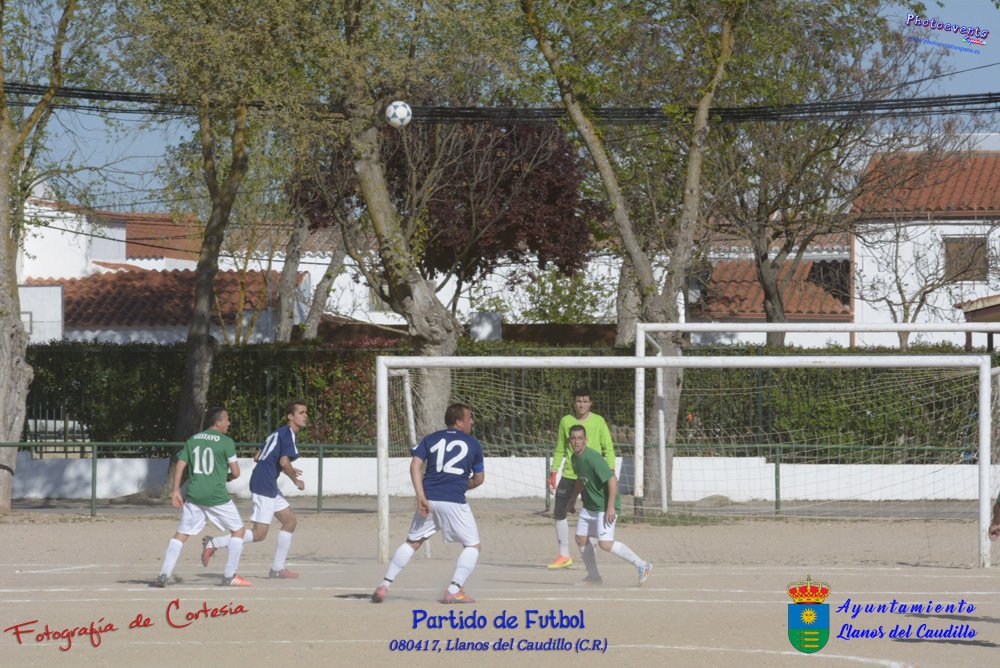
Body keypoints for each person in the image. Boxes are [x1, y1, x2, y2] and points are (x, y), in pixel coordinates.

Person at [371, 402, 485, 604]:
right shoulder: (474, 444)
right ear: (459, 422)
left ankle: (384, 585)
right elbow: (479, 479)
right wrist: (459, 485)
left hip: (429, 498)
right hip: (454, 500)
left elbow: (415, 464)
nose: (472, 421)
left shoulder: (431, 438)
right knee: (473, 546)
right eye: (469, 418)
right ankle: (454, 590)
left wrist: (420, 496)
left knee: (413, 542)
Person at [202, 400, 307, 579]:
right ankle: (215, 543)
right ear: (290, 416)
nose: (305, 416)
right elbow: (283, 461)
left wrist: (285, 467)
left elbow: (258, 457)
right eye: (301, 412)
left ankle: (277, 568)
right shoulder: (288, 434)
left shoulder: (279, 432)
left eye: (306, 412)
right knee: (259, 534)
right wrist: (295, 479)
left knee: (290, 521)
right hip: (264, 484)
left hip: (267, 483)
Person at [155, 407, 251, 587]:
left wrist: (176, 490)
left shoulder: (193, 439)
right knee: (239, 531)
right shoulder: (226, 442)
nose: (229, 423)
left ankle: (164, 574)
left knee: (181, 534)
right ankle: (229, 575)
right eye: (227, 419)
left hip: (195, 496)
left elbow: (180, 465)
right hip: (217, 496)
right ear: (218, 422)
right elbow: (236, 472)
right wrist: (227, 477)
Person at [568, 424, 651, 586]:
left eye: (580, 438)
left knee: (605, 544)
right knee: (580, 538)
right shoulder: (574, 458)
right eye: (573, 438)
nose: (576, 441)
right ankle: (593, 577)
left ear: (586, 440)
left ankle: (642, 565)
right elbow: (581, 480)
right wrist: (572, 500)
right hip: (590, 506)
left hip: (605, 506)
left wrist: (611, 507)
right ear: (569, 440)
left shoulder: (593, 458)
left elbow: (612, 479)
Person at [547, 386, 616, 569]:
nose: (581, 405)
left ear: (590, 403)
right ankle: (564, 555)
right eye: (578, 401)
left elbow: (608, 447)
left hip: (591, 477)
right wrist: (553, 472)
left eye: (585, 401)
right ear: (574, 402)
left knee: (592, 513)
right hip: (570, 473)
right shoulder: (566, 421)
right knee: (559, 511)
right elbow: (560, 448)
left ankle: (591, 556)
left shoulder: (599, 421)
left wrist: (611, 469)